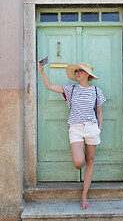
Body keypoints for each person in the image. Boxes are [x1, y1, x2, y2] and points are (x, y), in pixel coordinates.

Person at [38, 61, 106, 210]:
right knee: (78, 162)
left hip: (92, 129)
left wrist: (99, 127)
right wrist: (41, 70)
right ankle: (79, 165)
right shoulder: (71, 89)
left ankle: (84, 195)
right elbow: (49, 86)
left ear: (87, 74)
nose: (77, 73)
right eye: (76, 71)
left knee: (90, 161)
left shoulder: (96, 91)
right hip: (75, 128)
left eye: (80, 71)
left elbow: (99, 111)